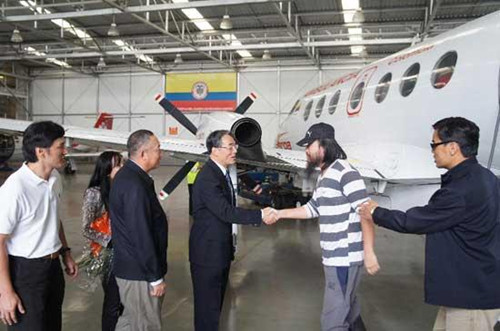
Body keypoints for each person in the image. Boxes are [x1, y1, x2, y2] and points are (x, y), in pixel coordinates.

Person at [359, 117, 500, 331]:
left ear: (452, 148)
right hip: (467, 289)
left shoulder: (460, 190)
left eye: (434, 144)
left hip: (471, 299)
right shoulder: (486, 178)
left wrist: (375, 211)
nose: (432, 150)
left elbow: (414, 222)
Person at [271, 122, 379, 331]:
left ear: (322, 145)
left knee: (333, 321)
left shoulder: (345, 172)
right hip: (334, 257)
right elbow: (312, 209)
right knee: (350, 311)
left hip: (344, 258)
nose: (305, 151)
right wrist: (279, 213)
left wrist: (369, 252)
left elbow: (366, 213)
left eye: (308, 145)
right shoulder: (325, 174)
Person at [189, 130, 276, 331]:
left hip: (218, 252)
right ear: (215, 150)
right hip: (207, 255)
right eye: (230, 147)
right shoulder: (208, 177)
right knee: (207, 311)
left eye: (235, 146)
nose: (235, 150)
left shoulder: (220, 173)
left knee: (214, 307)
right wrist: (260, 215)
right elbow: (225, 212)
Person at [0, 121, 78, 330]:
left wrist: (65, 252)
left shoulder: (54, 178)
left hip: (52, 269)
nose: (65, 150)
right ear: (41, 152)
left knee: (52, 325)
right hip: (26, 273)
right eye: (61, 146)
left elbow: (54, 218)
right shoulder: (15, 189)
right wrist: (6, 292)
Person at [110, 130, 168, 331]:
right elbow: (140, 234)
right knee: (146, 325)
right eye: (158, 149)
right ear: (143, 154)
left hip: (131, 268)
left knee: (129, 322)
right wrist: (155, 276)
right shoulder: (134, 184)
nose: (161, 154)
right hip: (139, 273)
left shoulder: (132, 177)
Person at [80, 151, 124, 331]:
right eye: (118, 165)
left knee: (124, 302)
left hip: (125, 252)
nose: (122, 168)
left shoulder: (121, 188)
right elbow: (86, 228)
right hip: (108, 254)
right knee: (113, 301)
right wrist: (110, 241)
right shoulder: (94, 193)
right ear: (106, 169)